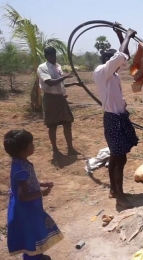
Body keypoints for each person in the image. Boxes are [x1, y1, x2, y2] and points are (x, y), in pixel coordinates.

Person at [93, 28, 138, 209]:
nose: (120, 65)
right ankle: (120, 196)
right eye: (116, 62)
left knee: (119, 156)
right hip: (113, 120)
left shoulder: (114, 74)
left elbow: (123, 56)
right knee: (119, 158)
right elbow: (121, 55)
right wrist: (126, 36)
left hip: (120, 117)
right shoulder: (101, 71)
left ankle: (114, 189)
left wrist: (120, 35)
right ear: (109, 61)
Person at [4, 130, 64, 260]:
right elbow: (22, 196)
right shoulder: (20, 170)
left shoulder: (20, 162)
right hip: (26, 211)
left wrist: (41, 183)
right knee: (31, 234)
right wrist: (41, 193)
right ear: (22, 151)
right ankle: (32, 257)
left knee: (34, 233)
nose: (34, 145)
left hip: (30, 208)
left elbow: (28, 182)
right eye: (31, 144)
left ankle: (37, 255)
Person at [37, 47, 82, 158]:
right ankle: (55, 151)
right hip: (50, 99)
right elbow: (49, 83)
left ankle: (70, 148)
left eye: (54, 55)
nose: (53, 57)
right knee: (52, 126)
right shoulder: (42, 68)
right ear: (46, 56)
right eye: (51, 56)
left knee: (67, 123)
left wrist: (73, 84)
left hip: (60, 98)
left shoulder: (58, 67)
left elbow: (59, 84)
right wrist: (65, 76)